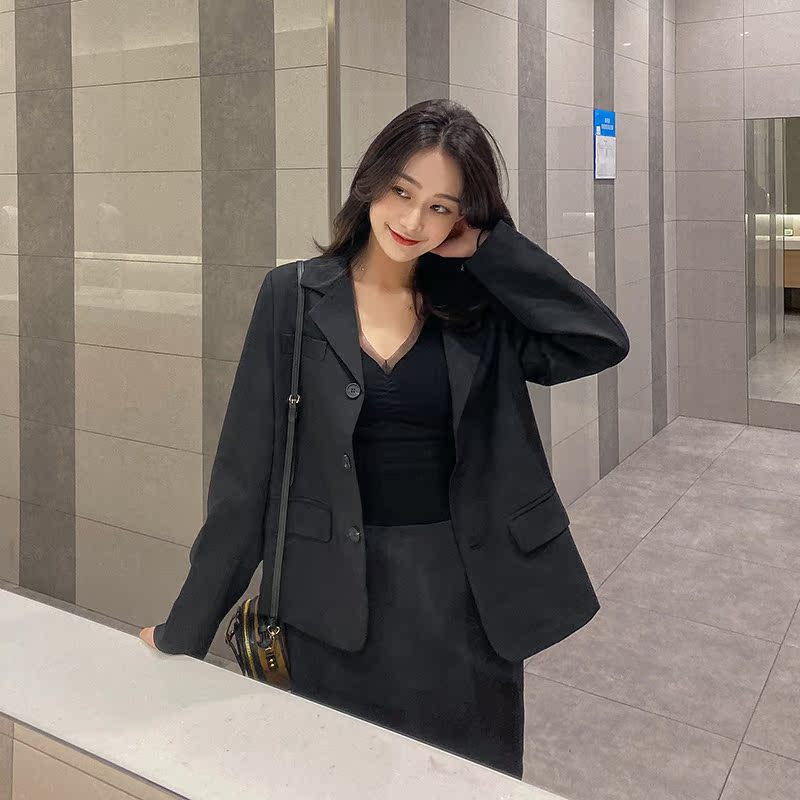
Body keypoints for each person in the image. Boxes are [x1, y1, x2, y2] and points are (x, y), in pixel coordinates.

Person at [139, 98, 630, 780]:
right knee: (334, 779)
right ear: (371, 181)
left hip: (463, 603)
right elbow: (246, 480)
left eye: (440, 206)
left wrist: (493, 251)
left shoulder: (478, 306)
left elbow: (598, 339)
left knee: (463, 782)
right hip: (328, 604)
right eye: (402, 191)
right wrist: (184, 631)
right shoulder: (293, 296)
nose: (413, 221)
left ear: (463, 218)